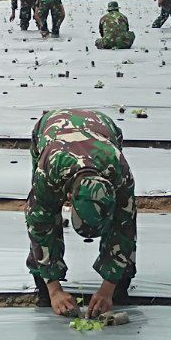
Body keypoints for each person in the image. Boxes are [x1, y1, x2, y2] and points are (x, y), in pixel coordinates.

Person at [26, 107, 136, 317]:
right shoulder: (49, 172)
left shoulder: (120, 172)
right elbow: (39, 224)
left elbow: (125, 226)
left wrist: (108, 289)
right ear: (68, 199)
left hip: (102, 126)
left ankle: (120, 285)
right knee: (43, 216)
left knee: (125, 226)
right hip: (50, 128)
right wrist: (54, 290)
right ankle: (43, 284)